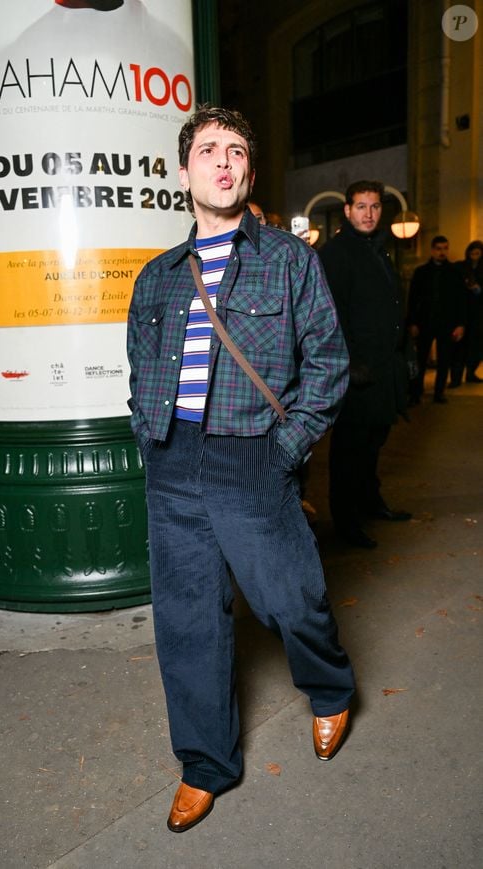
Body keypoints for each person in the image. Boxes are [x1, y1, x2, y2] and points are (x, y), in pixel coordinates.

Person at [127, 105, 355, 833]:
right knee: (187, 621)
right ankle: (205, 764)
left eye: (235, 152)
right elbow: (140, 370)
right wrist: (148, 436)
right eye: (206, 150)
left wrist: (285, 451)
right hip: (171, 460)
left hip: (251, 453)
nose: (222, 162)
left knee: (291, 598)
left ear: (248, 171)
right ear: (185, 170)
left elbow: (328, 364)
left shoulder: (288, 259)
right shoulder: (157, 277)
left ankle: (328, 688)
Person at [318, 180, 411, 550]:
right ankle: (346, 521)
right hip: (356, 373)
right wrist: (349, 362)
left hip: (385, 368)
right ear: (347, 210)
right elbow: (329, 315)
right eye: (361, 207)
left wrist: (407, 355)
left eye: (374, 207)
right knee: (350, 450)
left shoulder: (380, 249)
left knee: (374, 443)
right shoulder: (336, 253)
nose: (369, 214)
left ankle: (371, 503)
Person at [407, 236, 467, 403]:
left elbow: (461, 300)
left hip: (446, 322)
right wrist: (412, 322)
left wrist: (460, 324)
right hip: (424, 321)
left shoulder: (455, 272)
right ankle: (415, 393)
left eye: (445, 248)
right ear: (433, 250)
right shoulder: (421, 272)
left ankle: (439, 393)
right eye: (439, 248)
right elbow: (412, 299)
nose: (442, 252)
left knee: (444, 360)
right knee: (420, 359)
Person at [450, 240, 483, 385]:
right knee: (460, 346)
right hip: (463, 310)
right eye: (472, 253)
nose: (474, 256)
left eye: (477, 253)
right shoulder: (461, 267)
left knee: (476, 346)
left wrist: (478, 288)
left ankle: (470, 372)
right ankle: (456, 377)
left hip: (479, 312)